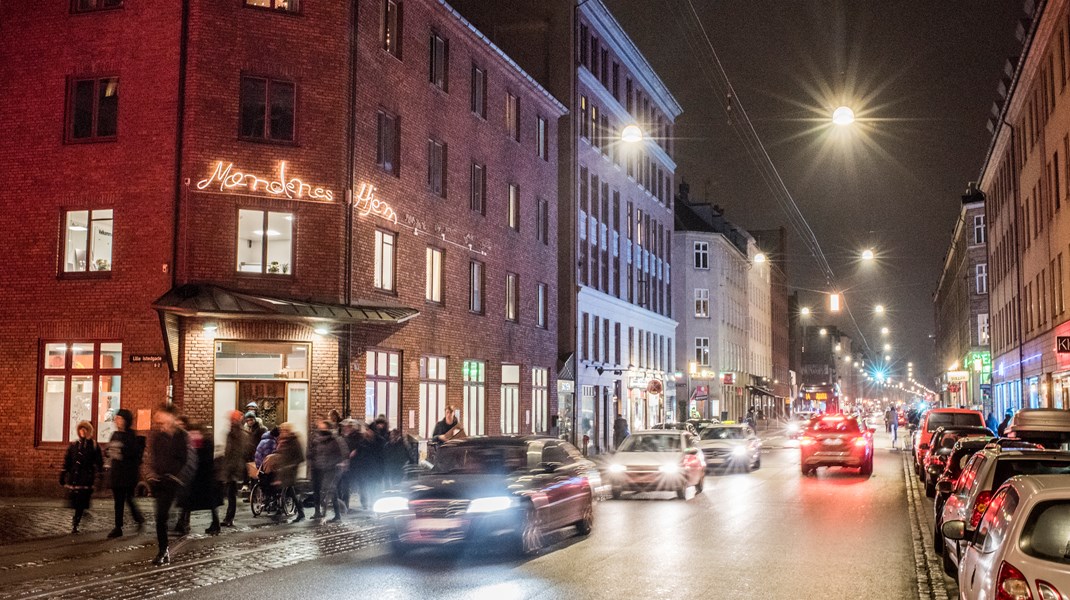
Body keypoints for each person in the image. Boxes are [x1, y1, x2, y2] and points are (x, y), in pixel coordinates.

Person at [147, 404, 189, 566]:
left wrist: (178, 476)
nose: (159, 420)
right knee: (160, 517)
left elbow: (185, 459)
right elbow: (153, 457)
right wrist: (152, 475)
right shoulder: (158, 436)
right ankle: (162, 550)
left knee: (169, 514)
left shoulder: (181, 436)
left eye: (162, 416)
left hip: (175, 481)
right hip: (160, 481)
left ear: (171, 416)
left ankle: (179, 526)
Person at [106, 409, 145, 538]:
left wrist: (120, 452)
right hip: (116, 472)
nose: (117, 421)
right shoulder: (114, 434)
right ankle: (118, 527)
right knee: (118, 501)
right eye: (116, 419)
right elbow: (109, 450)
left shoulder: (131, 436)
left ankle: (138, 518)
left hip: (127, 473)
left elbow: (133, 454)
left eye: (120, 419)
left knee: (128, 498)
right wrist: (108, 452)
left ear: (126, 421)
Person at [178, 422, 223, 535]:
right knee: (190, 502)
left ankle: (184, 523)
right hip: (200, 478)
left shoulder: (202, 443)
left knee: (191, 502)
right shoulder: (200, 442)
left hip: (202, 478)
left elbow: (202, 460)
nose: (192, 434)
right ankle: (183, 523)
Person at [62, 421, 104, 534]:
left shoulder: (93, 446)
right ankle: (77, 518)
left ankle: (76, 521)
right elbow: (68, 460)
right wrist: (63, 472)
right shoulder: (74, 445)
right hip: (75, 477)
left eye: (85, 430)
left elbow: (99, 461)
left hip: (86, 477)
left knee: (81, 500)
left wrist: (99, 475)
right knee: (76, 500)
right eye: (81, 429)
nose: (82, 432)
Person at [309, 419, 347, 522]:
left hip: (331, 469)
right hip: (318, 468)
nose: (321, 429)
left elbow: (343, 454)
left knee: (330, 490)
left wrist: (338, 463)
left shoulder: (336, 440)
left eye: (323, 427)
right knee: (320, 490)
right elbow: (312, 453)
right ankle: (320, 512)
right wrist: (312, 461)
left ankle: (337, 513)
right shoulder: (317, 440)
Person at [219, 410, 249, 528]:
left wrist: (230, 469)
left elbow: (237, 453)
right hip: (231, 468)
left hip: (233, 468)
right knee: (230, 494)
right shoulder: (233, 432)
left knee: (231, 494)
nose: (230, 421)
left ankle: (229, 518)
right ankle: (228, 518)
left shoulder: (237, 433)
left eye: (232, 419)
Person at [273, 422, 306, 523]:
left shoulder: (294, 441)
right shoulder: (282, 440)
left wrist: (291, 465)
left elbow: (300, 457)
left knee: (291, 491)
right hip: (282, 471)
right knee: (289, 491)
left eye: (285, 430)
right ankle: (299, 512)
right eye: (282, 430)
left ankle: (300, 512)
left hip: (290, 470)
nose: (283, 432)